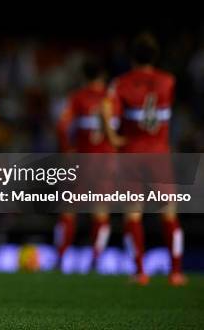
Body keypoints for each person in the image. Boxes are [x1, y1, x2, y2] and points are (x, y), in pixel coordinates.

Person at [102, 34, 187, 286]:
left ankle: (139, 272)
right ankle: (176, 272)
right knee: (169, 215)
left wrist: (113, 137)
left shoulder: (121, 84)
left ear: (131, 57)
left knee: (133, 215)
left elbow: (108, 109)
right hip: (159, 154)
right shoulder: (168, 81)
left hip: (132, 155)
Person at [54, 58, 119, 271]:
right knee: (100, 213)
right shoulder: (114, 100)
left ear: (84, 76)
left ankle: (60, 258)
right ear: (103, 77)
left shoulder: (78, 98)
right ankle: (96, 260)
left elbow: (62, 125)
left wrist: (67, 150)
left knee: (68, 210)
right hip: (106, 162)